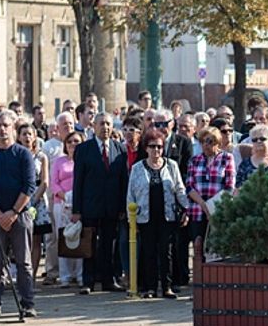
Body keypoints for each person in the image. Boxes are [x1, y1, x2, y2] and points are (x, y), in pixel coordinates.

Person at [0, 110, 38, 319]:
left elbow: (29, 186)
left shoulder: (23, 154)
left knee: (24, 262)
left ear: (13, 127)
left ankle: (27, 302)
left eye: (5, 125)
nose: (2, 129)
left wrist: (13, 212)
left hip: (19, 215)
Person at [127, 128, 190, 299]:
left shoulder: (172, 165)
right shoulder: (137, 168)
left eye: (160, 147)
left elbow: (180, 189)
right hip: (145, 216)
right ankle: (150, 288)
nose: (156, 150)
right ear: (146, 148)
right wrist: (131, 220)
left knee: (166, 252)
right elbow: (130, 195)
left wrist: (186, 209)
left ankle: (167, 286)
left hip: (167, 216)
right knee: (148, 252)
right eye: (152, 146)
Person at [71, 112, 129, 295]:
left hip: (111, 207)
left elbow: (123, 181)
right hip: (90, 206)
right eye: (101, 124)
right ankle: (88, 281)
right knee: (90, 245)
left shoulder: (120, 149)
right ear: (94, 126)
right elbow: (78, 181)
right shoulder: (84, 149)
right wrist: (77, 209)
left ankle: (108, 280)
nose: (105, 127)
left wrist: (122, 207)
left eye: (108, 124)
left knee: (108, 245)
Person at [186, 127, 233, 264]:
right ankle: (200, 282)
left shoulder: (226, 158)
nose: (206, 145)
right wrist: (204, 205)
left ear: (218, 142)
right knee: (198, 248)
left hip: (218, 210)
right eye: (203, 142)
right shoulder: (194, 160)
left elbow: (229, 185)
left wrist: (212, 207)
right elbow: (189, 186)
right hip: (197, 210)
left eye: (210, 141)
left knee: (217, 250)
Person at [16, 122, 53, 284]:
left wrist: (34, 201)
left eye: (30, 134)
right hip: (18, 198)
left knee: (36, 239)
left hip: (37, 199)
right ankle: (21, 273)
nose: (27, 137)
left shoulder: (41, 156)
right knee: (20, 239)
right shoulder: (15, 155)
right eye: (24, 134)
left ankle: (31, 276)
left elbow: (45, 181)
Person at [50, 130, 83, 287]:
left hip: (80, 203)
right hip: (61, 203)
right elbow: (53, 182)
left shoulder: (84, 161)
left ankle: (79, 274)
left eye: (76, 141)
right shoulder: (59, 161)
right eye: (70, 142)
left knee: (79, 238)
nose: (73, 145)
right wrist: (64, 195)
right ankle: (65, 276)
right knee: (63, 238)